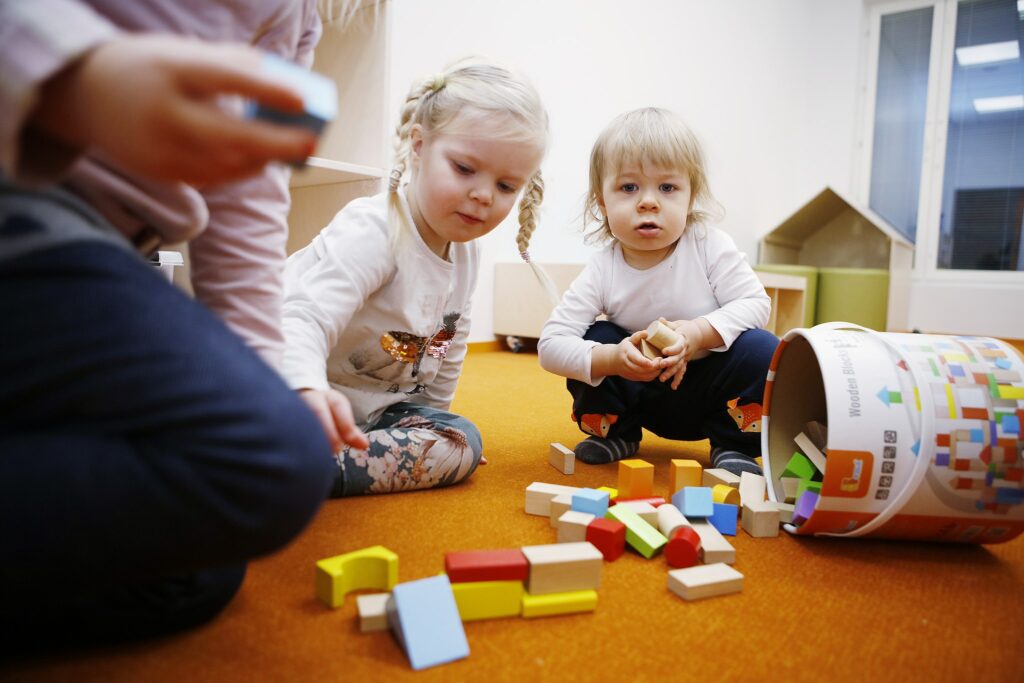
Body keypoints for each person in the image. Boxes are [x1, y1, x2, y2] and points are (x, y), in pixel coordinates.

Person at [0, 0, 368, 649]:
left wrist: (274, 369)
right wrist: (75, 77)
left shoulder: (298, 20)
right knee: (265, 461)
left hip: (117, 252)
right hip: (29, 193)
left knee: (200, 568)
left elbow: (250, 196)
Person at [282, 57, 551, 496]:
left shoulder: (467, 251)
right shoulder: (375, 231)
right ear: (419, 145)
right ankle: (284, 459)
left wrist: (434, 427)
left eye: (506, 187)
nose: (483, 195)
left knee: (462, 441)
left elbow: (449, 345)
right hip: (283, 385)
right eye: (464, 169)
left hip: (367, 411)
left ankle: (305, 467)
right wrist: (305, 391)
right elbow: (301, 319)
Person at [538, 107, 777, 476]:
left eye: (667, 188)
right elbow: (551, 346)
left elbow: (756, 304)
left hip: (712, 395)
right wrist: (614, 359)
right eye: (629, 187)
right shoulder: (604, 267)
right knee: (596, 337)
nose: (648, 201)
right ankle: (617, 433)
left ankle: (735, 444)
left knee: (763, 348)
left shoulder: (708, 244)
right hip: (641, 392)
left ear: (690, 196)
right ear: (602, 201)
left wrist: (698, 333)